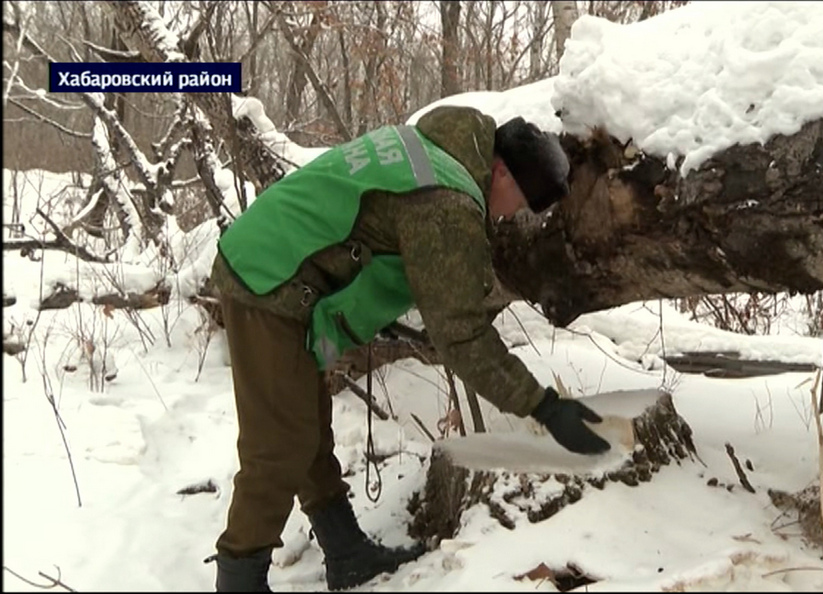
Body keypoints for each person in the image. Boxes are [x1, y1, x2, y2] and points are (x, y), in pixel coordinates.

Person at [207, 105, 612, 592]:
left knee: (308, 430)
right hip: (267, 281)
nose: (511, 215)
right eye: (519, 201)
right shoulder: (447, 202)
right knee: (280, 446)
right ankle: (238, 579)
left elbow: (377, 231)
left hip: (283, 266)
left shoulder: (439, 148)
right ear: (501, 170)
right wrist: (545, 407)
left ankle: (345, 551)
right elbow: (462, 336)